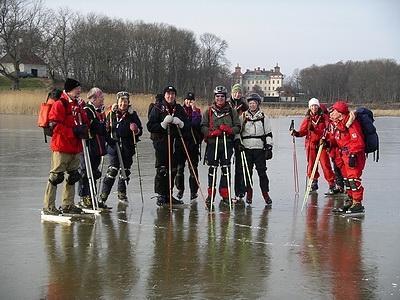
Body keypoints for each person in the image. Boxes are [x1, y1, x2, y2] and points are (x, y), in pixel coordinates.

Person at [42, 78, 89, 215]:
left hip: (75, 146)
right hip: (61, 146)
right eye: (77, 89)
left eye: (79, 89)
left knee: (73, 176)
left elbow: (84, 120)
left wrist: (84, 126)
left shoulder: (78, 104)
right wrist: (73, 131)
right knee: (56, 177)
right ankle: (49, 206)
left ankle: (68, 204)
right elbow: (55, 125)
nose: (79, 91)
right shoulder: (60, 104)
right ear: (69, 90)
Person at [147, 85, 189, 206]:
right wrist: (163, 124)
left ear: (175, 95)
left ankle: (168, 194)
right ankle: (161, 195)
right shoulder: (158, 108)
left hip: (176, 143)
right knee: (162, 169)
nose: (170, 96)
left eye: (172, 94)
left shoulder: (179, 109)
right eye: (168, 94)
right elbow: (150, 126)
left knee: (173, 170)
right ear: (165, 95)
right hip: (161, 143)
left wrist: (181, 123)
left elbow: (187, 126)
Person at [98, 91, 142, 207]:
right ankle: (103, 196)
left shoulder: (132, 115)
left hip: (128, 147)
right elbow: (105, 128)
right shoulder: (112, 113)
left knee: (125, 171)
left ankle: (122, 193)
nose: (123, 103)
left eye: (125, 101)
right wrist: (107, 128)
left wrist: (136, 130)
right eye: (121, 101)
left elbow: (139, 131)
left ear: (128, 102)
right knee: (112, 170)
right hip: (114, 146)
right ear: (117, 102)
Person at [201, 85, 241, 209]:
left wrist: (229, 130)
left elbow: (238, 127)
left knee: (226, 170)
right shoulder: (208, 111)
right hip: (213, 144)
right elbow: (202, 126)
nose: (220, 99)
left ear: (225, 97)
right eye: (217, 96)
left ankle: (225, 195)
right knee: (212, 170)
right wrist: (211, 133)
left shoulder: (231, 111)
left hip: (227, 144)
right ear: (215, 97)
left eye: (222, 96)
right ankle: (210, 196)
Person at [291, 98, 337, 194]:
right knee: (311, 165)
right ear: (309, 107)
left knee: (325, 165)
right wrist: (296, 133)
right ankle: (313, 182)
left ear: (318, 106)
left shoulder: (324, 117)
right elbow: (303, 131)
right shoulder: (308, 118)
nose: (314, 107)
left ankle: (332, 184)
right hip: (311, 145)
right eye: (312, 106)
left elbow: (328, 130)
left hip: (322, 145)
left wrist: (325, 139)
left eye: (315, 105)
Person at [329, 101, 366, 214]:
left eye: (334, 110)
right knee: (347, 180)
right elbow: (336, 139)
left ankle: (357, 203)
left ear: (340, 113)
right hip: (343, 156)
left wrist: (353, 155)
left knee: (353, 180)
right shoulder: (338, 124)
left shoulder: (351, 124)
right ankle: (350, 201)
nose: (331, 112)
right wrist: (328, 142)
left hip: (353, 157)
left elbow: (358, 142)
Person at [238, 93, 273, 206]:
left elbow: (268, 133)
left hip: (259, 149)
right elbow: (238, 132)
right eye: (250, 103)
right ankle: (249, 194)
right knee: (248, 173)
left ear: (258, 104)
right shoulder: (243, 116)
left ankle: (265, 194)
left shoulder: (263, 117)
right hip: (246, 148)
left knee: (262, 173)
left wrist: (269, 146)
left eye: (254, 103)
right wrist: (239, 142)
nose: (252, 105)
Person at [78, 87, 107, 208]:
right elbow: (95, 128)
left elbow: (102, 129)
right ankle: (84, 198)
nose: (103, 100)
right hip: (88, 147)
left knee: (94, 173)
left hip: (97, 147)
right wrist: (102, 126)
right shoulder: (87, 110)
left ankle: (92, 197)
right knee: (85, 172)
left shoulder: (99, 111)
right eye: (101, 98)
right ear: (94, 98)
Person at [174, 92, 202, 201]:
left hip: (193, 144)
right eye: (187, 100)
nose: (188, 102)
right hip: (181, 143)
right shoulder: (179, 110)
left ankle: (193, 192)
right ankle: (180, 189)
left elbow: (196, 123)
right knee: (180, 168)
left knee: (193, 169)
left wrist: (194, 110)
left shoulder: (197, 111)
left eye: (191, 100)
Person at [229, 83, 249, 201]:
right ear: (232, 93)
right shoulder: (227, 104)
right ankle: (226, 192)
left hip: (240, 137)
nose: (237, 94)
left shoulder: (244, 106)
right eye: (235, 92)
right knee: (226, 166)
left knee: (239, 166)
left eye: (239, 92)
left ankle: (239, 191)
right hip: (228, 136)